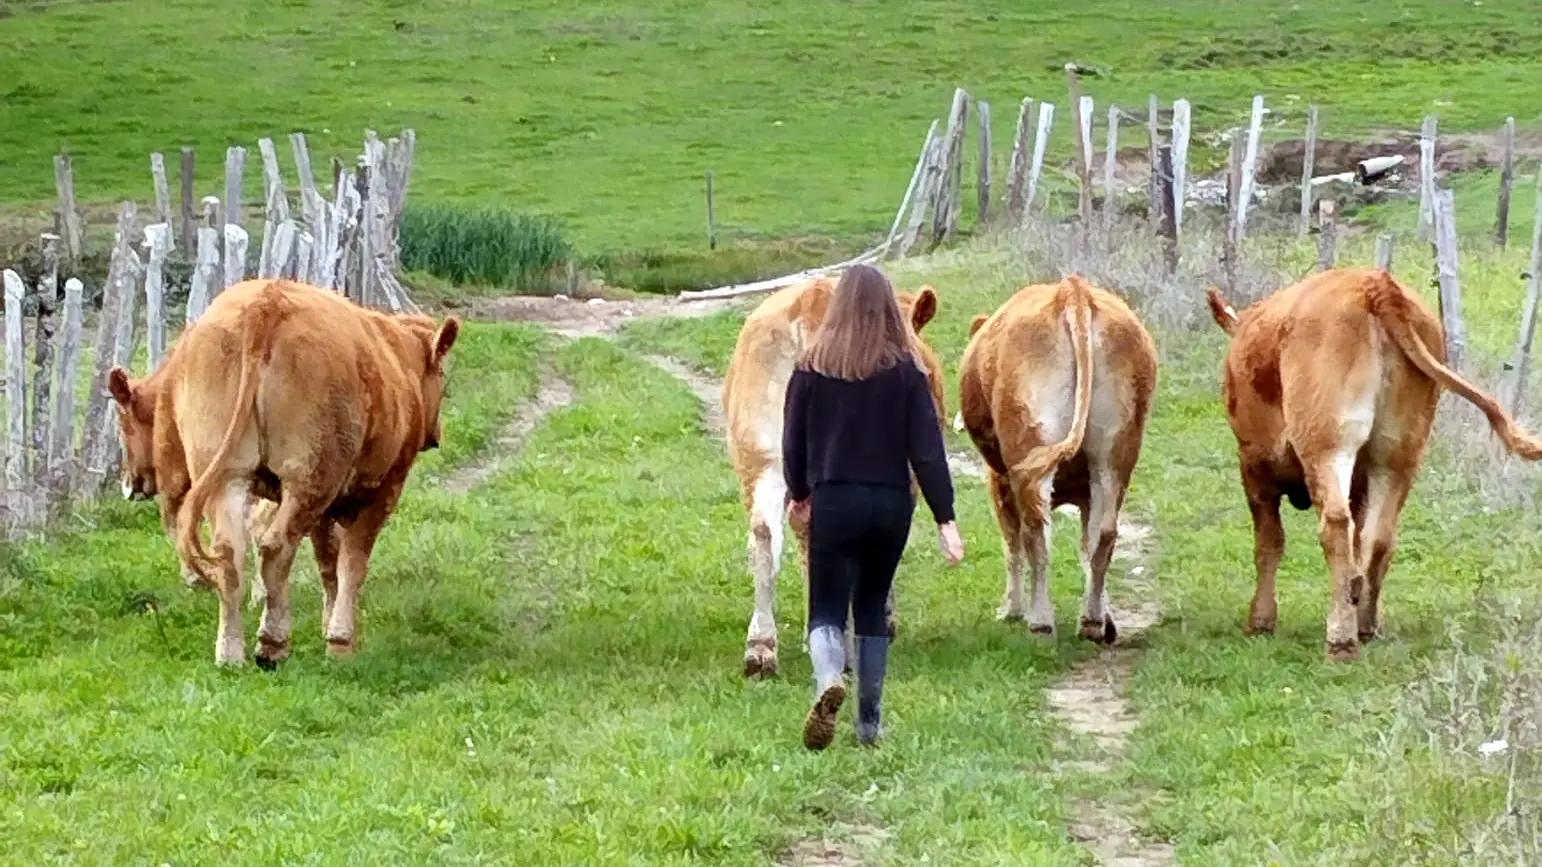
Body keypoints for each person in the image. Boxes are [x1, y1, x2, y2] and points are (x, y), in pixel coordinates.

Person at [782, 264, 965, 750]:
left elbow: (793, 441)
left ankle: (826, 682)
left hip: (834, 500)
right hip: (889, 504)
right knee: (870, 606)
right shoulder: (908, 371)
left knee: (825, 606)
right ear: (888, 307)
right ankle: (869, 726)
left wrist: (798, 494)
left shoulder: (810, 366)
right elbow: (927, 449)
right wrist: (945, 518)